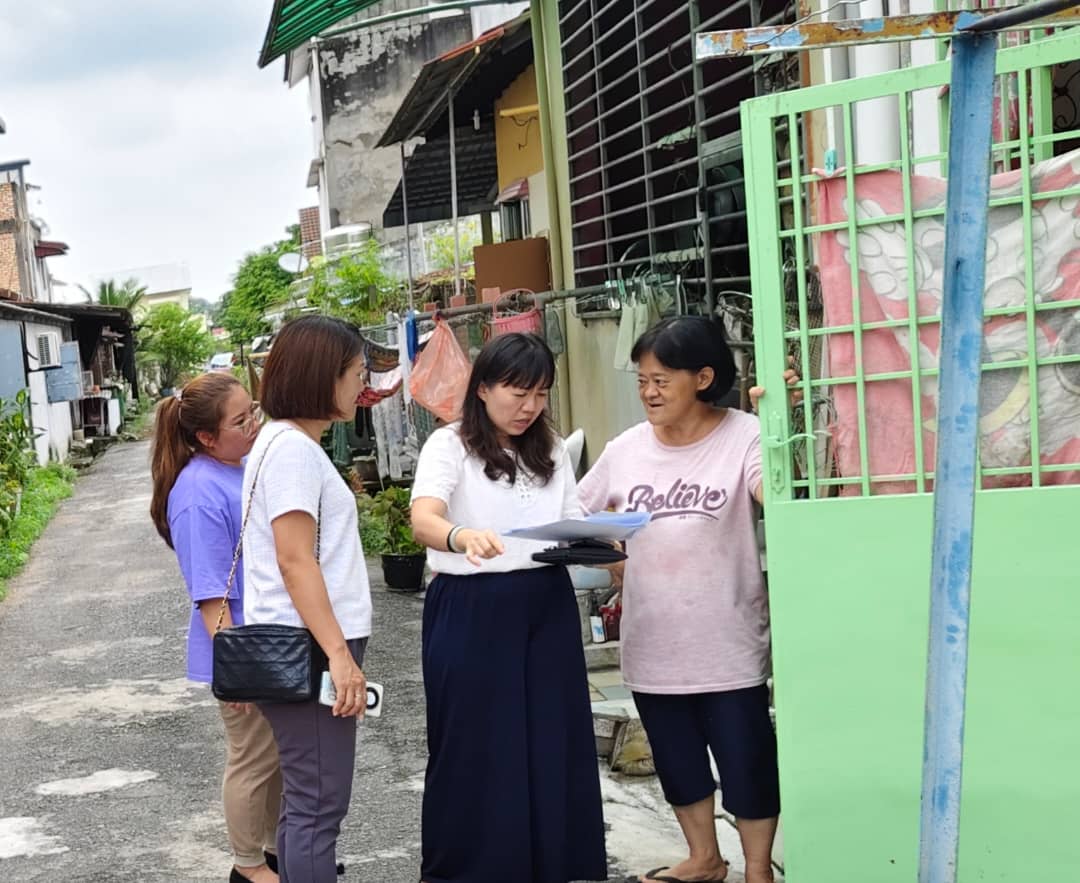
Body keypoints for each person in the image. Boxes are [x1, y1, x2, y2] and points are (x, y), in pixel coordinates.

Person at [578, 316, 794, 883]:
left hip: (728, 638)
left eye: (661, 380)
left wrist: (781, 422)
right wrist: (615, 559)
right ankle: (704, 859)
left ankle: (755, 868)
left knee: (746, 759)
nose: (648, 392)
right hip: (654, 639)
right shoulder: (625, 450)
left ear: (702, 377)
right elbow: (575, 517)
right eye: (643, 380)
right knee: (676, 759)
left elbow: (771, 494)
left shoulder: (742, 433)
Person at [410, 332, 607, 883]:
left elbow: (571, 518)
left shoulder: (549, 446)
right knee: (473, 742)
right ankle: (471, 869)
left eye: (541, 394)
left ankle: (552, 863)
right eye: (517, 392)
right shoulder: (449, 446)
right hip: (472, 605)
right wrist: (460, 535)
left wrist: (602, 542)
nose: (529, 407)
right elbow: (423, 518)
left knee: (551, 735)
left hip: (543, 601)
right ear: (484, 388)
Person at [241, 315, 372, 883]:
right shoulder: (293, 450)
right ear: (324, 376)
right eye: (356, 372)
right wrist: (339, 656)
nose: (361, 386)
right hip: (309, 645)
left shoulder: (282, 443)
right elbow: (296, 559)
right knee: (319, 805)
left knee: (306, 804)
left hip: (301, 642)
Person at [150, 371, 281, 883]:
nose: (253, 424)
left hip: (268, 640)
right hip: (239, 643)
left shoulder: (237, 465)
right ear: (206, 436)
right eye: (240, 419)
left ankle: (274, 852)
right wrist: (238, 668)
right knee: (252, 759)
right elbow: (211, 594)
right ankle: (248, 865)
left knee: (276, 759)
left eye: (254, 411)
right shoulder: (198, 490)